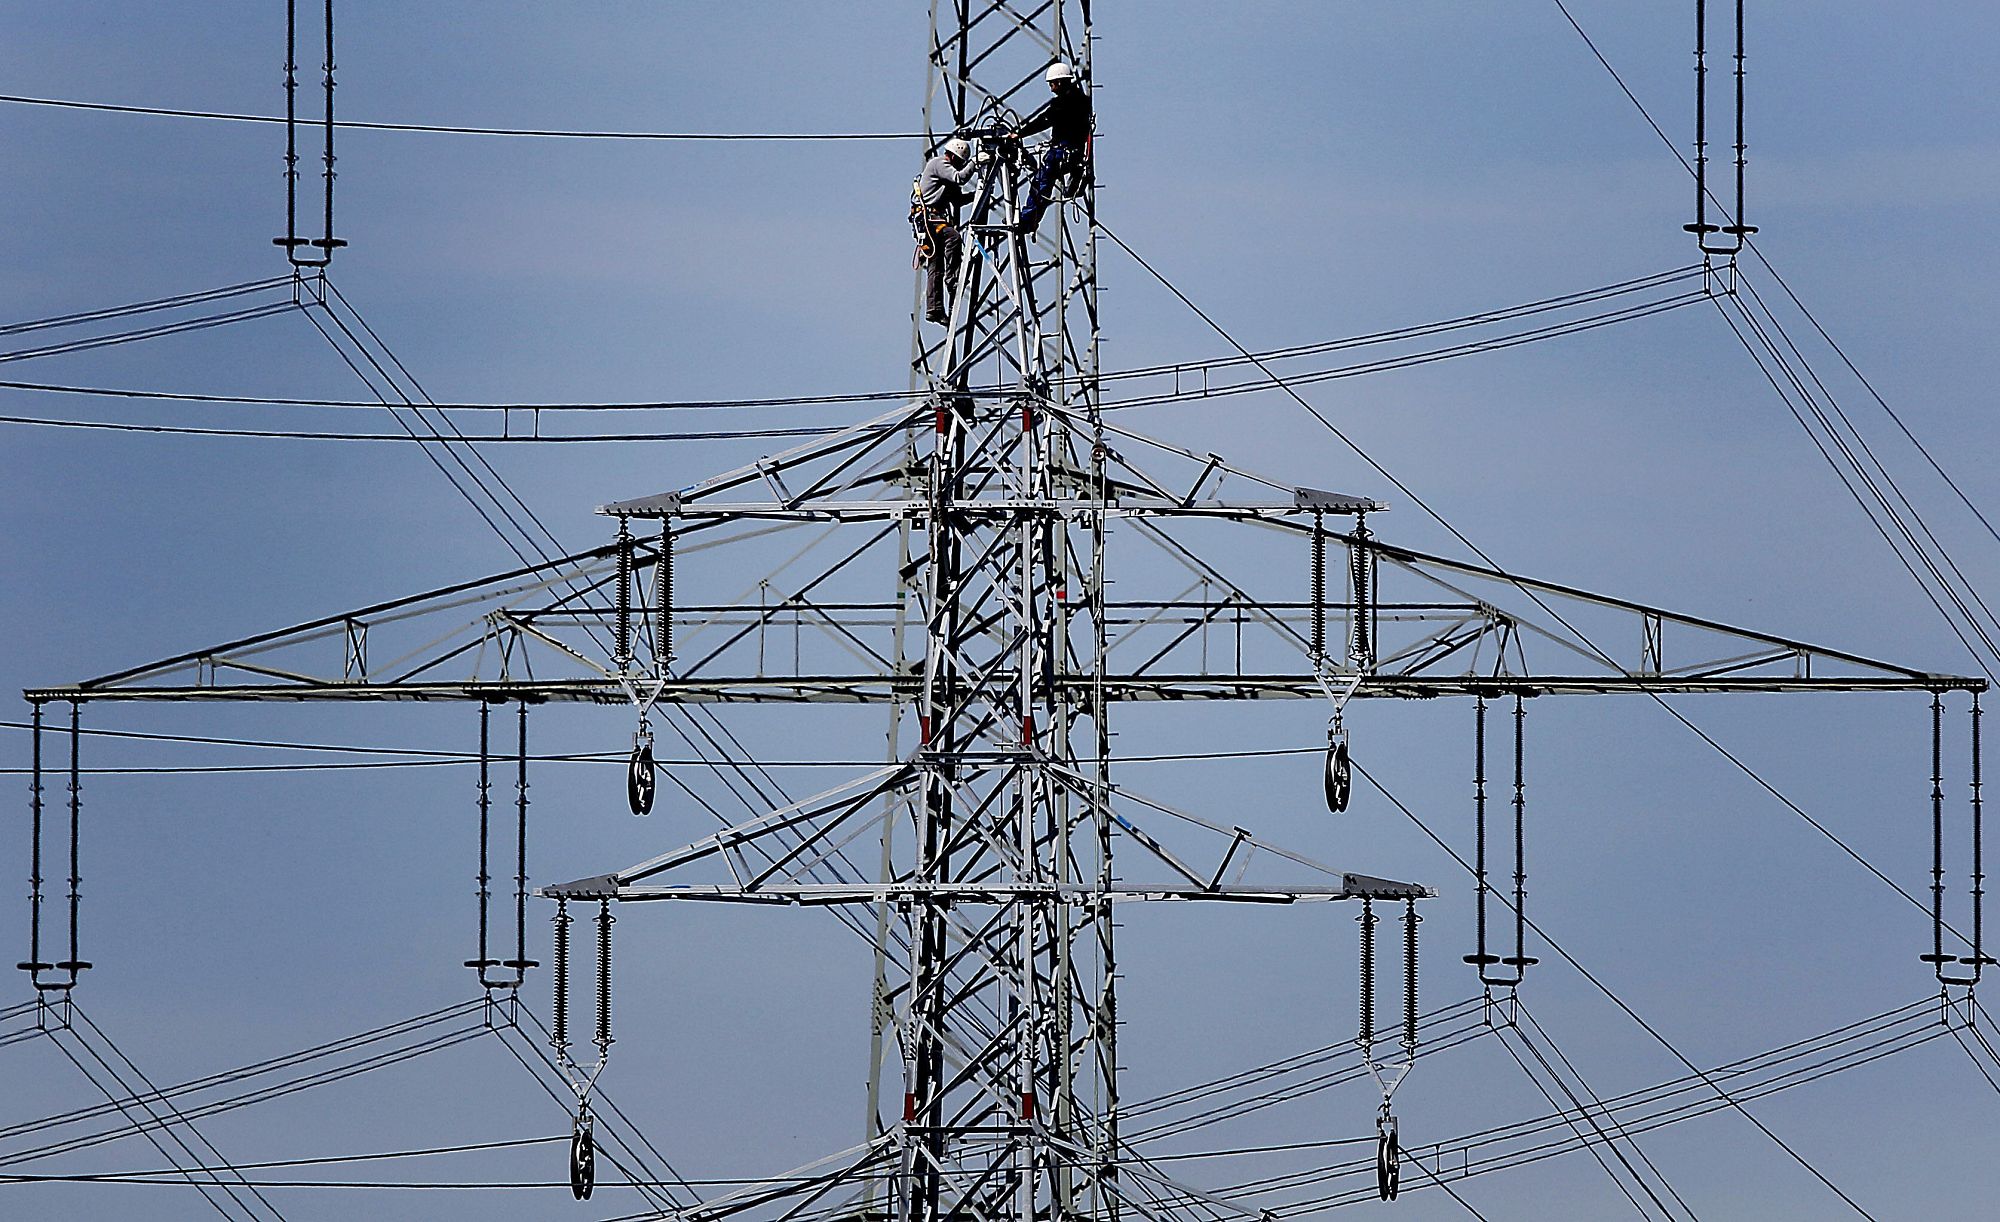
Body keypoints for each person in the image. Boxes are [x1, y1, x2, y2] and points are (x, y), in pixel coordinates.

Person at [1012, 61, 1091, 236]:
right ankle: (1030, 220)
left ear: (1060, 82)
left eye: (1052, 84)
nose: (1051, 88)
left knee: (1040, 184)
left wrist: (1019, 134)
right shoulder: (1082, 100)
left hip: (1061, 151)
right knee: (1042, 185)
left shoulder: (1064, 103)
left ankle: (1027, 221)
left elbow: (1044, 120)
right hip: (1074, 154)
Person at [916, 137, 977, 325]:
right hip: (929, 219)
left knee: (936, 266)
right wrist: (975, 163)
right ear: (953, 156)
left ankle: (935, 309)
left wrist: (979, 194)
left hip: (933, 221)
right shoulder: (939, 164)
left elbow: (957, 200)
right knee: (953, 237)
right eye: (960, 162)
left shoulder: (947, 178)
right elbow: (960, 178)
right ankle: (953, 278)